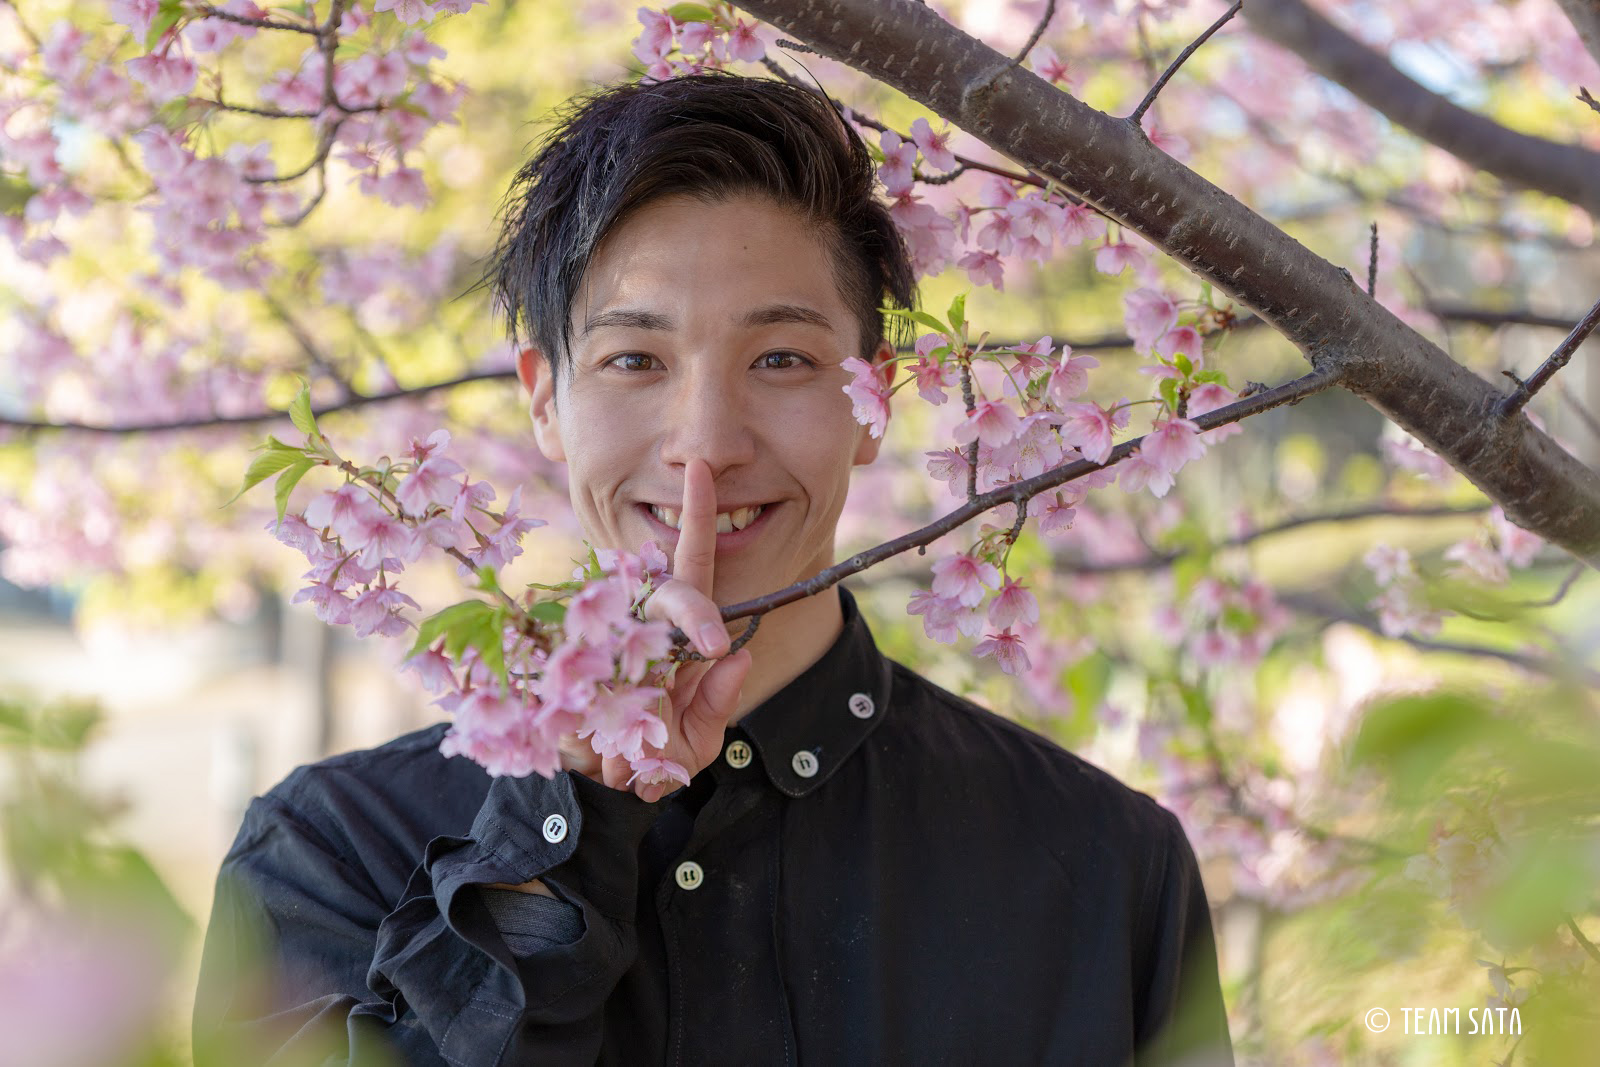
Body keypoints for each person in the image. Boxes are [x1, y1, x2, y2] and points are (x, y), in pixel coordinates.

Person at [194, 72, 1234, 1066]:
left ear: (874, 397)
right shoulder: (333, 851)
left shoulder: (1102, 864)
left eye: (780, 357)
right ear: (543, 400)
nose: (704, 443)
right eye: (634, 360)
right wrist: (569, 825)